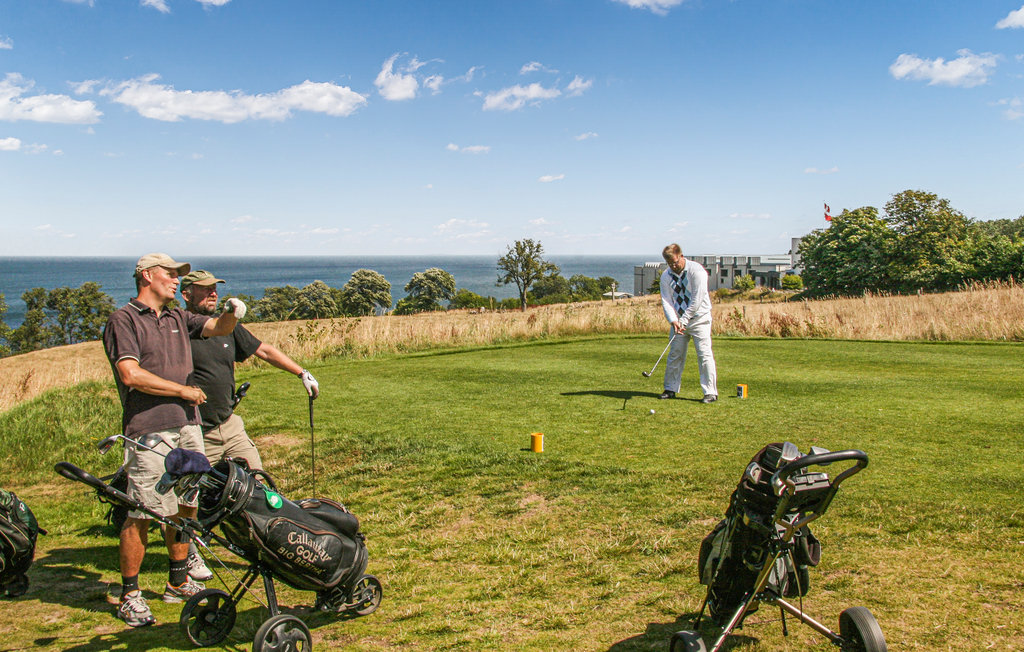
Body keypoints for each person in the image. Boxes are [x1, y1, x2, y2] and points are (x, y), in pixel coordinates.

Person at [102, 253, 246, 627]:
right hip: (149, 428)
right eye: (170, 275)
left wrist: (233, 311)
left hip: (187, 426)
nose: (176, 281)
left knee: (187, 502)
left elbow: (218, 328)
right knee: (144, 510)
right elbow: (131, 375)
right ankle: (130, 595)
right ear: (147, 276)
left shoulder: (177, 317)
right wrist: (182, 391)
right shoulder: (124, 320)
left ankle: (177, 581)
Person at [179, 269, 320, 474]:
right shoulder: (176, 328)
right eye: (205, 289)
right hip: (197, 433)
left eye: (214, 289)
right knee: (197, 496)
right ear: (186, 295)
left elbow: (263, 350)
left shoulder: (226, 325)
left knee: (258, 484)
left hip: (229, 425)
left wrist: (302, 373)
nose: (213, 294)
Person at [658, 244, 718, 403]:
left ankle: (710, 392)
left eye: (675, 262)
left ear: (681, 256)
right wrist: (673, 320)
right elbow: (666, 300)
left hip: (700, 319)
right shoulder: (666, 276)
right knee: (675, 354)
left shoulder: (697, 271)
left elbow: (696, 300)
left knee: (704, 354)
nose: (673, 266)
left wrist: (684, 320)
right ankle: (670, 388)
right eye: (670, 263)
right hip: (678, 321)